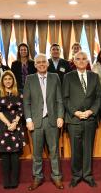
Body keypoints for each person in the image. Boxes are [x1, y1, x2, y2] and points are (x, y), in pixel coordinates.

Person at [23, 54, 64, 191]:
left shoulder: (55, 77)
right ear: (35, 65)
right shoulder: (29, 79)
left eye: (43, 62)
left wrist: (60, 116)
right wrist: (28, 119)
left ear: (47, 64)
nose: (41, 64)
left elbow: (59, 99)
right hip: (36, 122)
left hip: (52, 120)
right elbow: (26, 102)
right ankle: (37, 177)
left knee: (54, 151)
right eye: (38, 62)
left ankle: (56, 176)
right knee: (37, 153)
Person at [63, 51, 101, 188]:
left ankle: (88, 175)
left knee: (88, 149)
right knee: (76, 149)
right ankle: (76, 176)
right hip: (74, 119)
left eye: (84, 58)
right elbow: (65, 98)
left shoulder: (94, 76)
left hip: (90, 119)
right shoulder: (68, 77)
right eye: (78, 59)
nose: (81, 61)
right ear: (74, 61)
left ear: (87, 61)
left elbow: (98, 97)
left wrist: (91, 111)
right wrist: (76, 112)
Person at [0, 70, 25, 189]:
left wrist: (15, 122)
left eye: (10, 79)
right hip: (2, 124)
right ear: (2, 81)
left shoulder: (19, 92)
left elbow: (21, 109)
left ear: (13, 80)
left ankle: (14, 180)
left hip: (16, 124)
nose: (7, 81)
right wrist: (8, 123)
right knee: (5, 154)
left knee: (15, 154)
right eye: (5, 79)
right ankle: (6, 180)